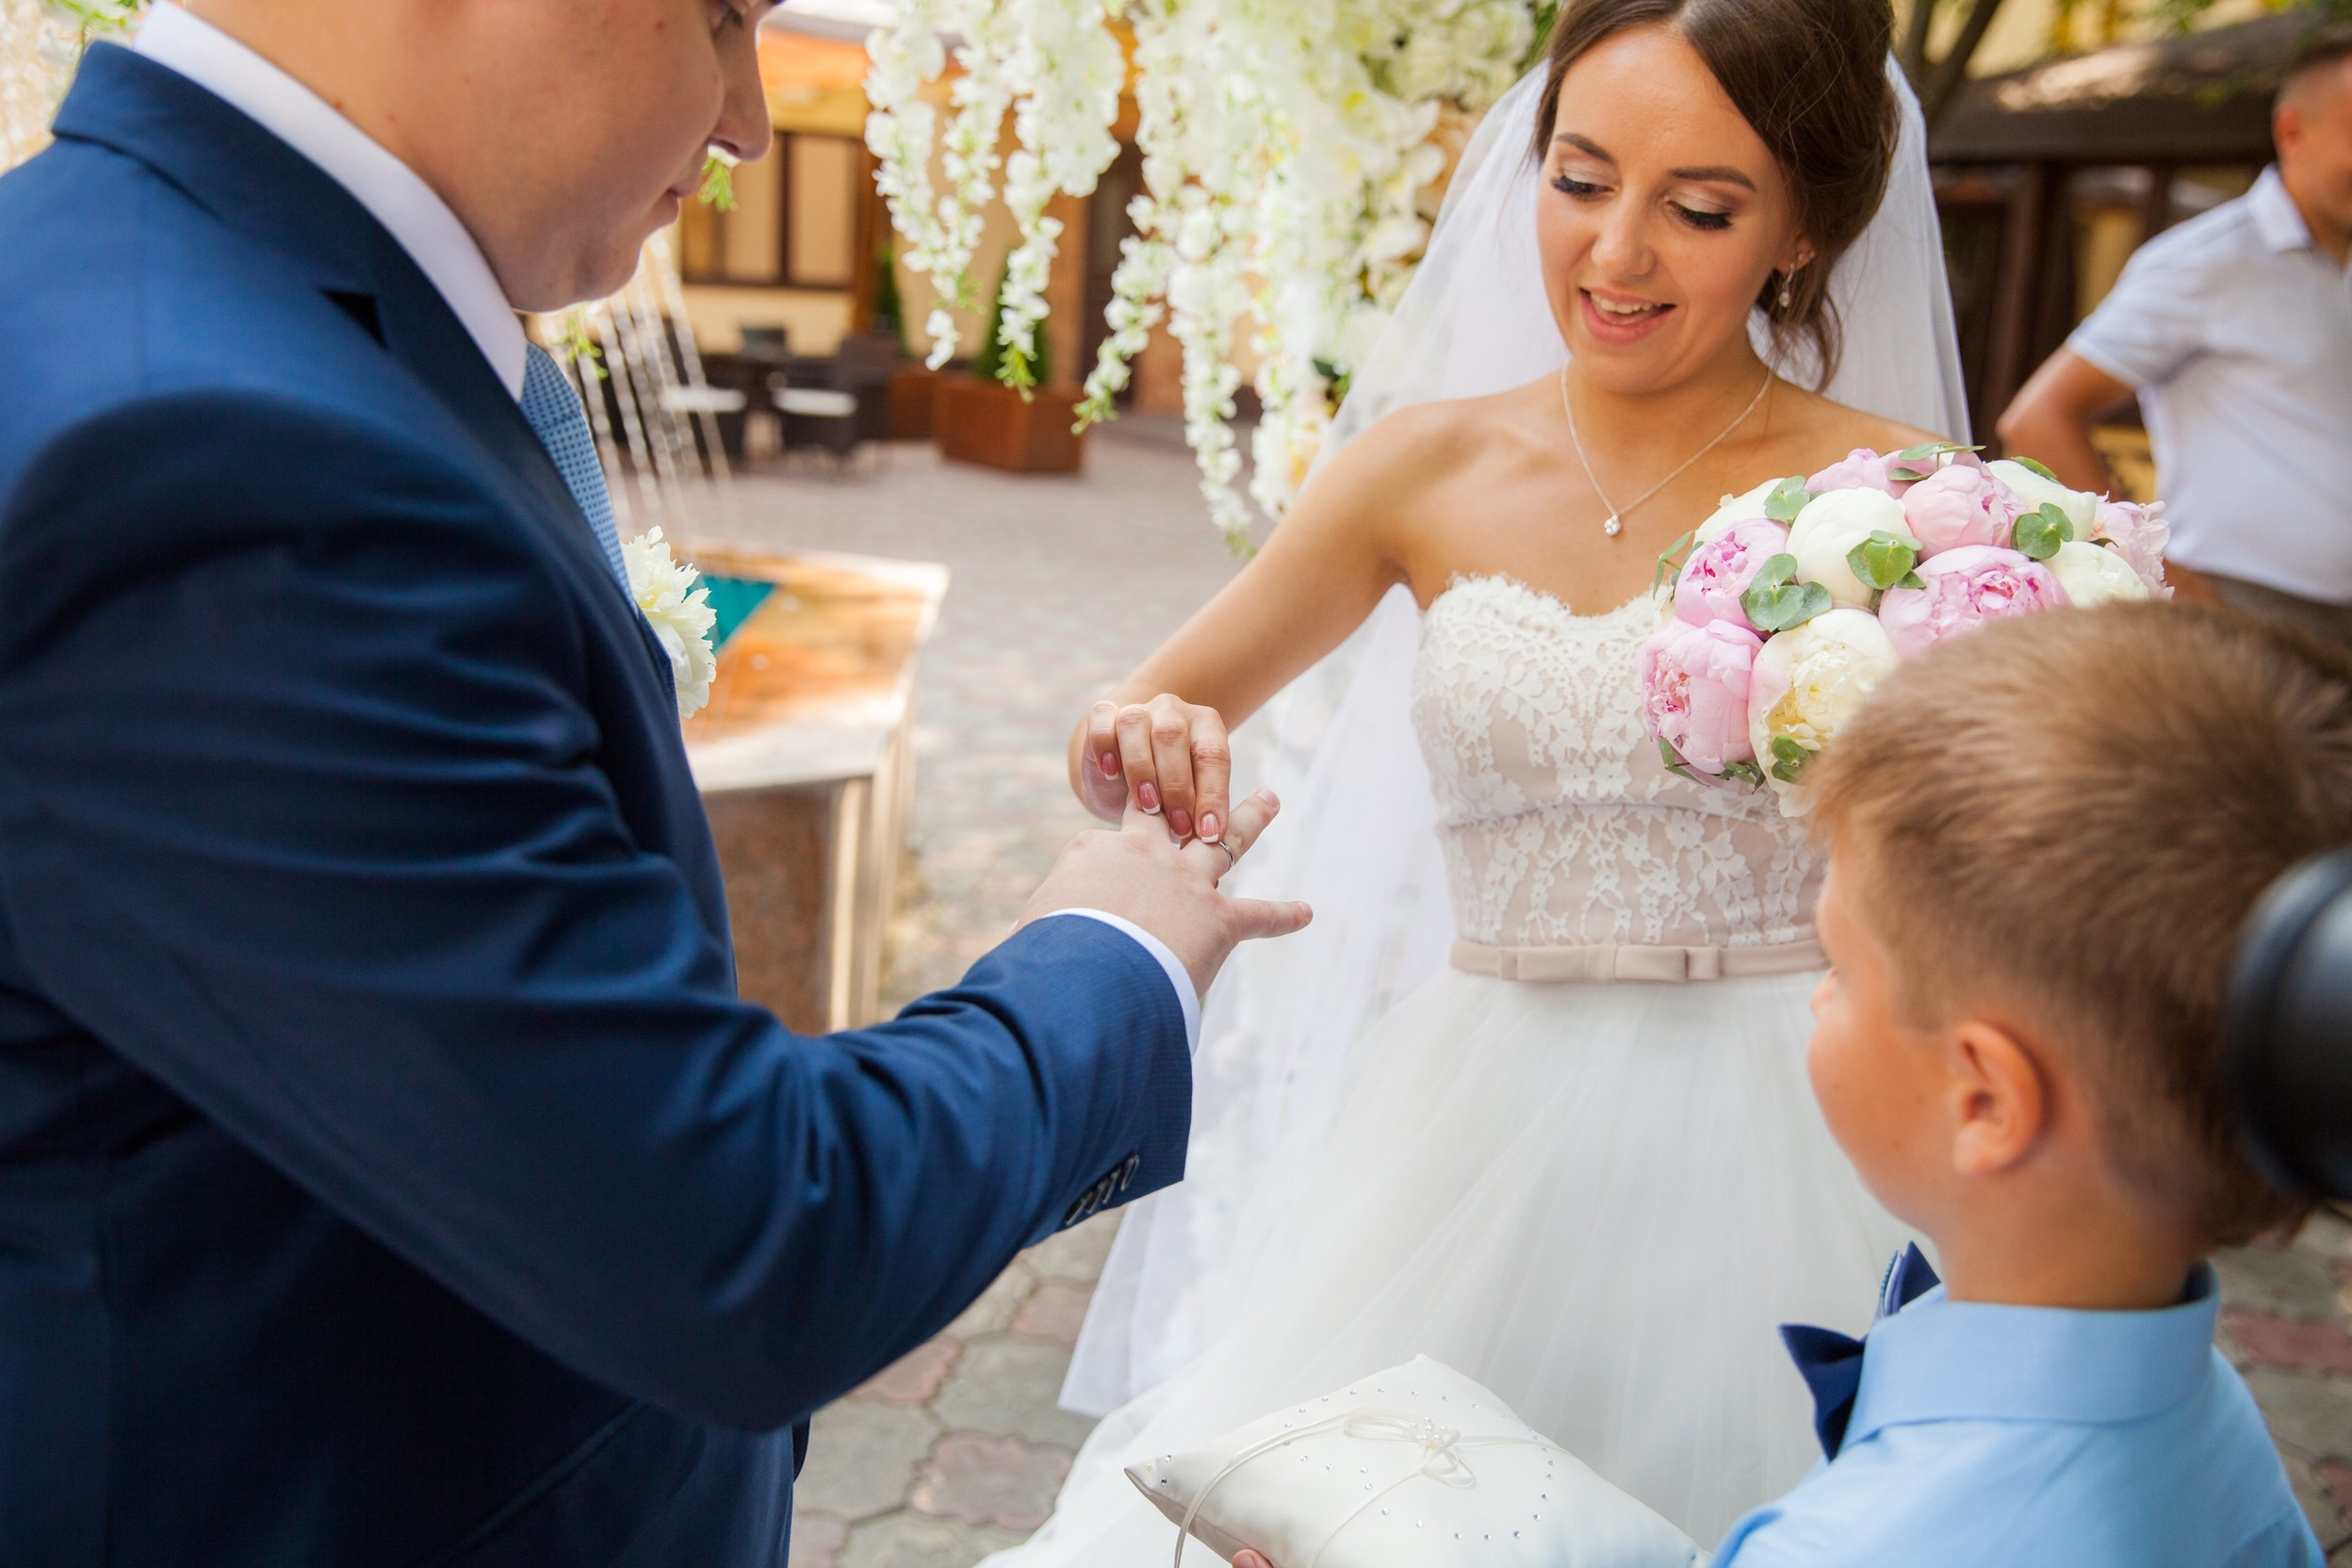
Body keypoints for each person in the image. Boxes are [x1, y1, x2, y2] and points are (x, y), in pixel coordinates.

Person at [0, 3, 1310, 1562]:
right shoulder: (216, 455)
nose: (747, 117)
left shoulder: (148, 292)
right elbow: (739, 1240)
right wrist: (1113, 944)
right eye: (722, 18)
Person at [1001, 0, 1972, 1553]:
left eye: (1699, 209)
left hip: (1788, 1132)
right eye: (1580, 181)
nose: (1615, 252)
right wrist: (1140, 741)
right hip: (1475, 1116)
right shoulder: (1423, 465)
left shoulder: (1904, 503)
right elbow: (1131, 714)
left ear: (1802, 230)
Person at [1229, 600, 2335, 1568]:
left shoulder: (1847, 1545)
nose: (1812, 1000)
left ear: (1985, 1099)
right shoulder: (2222, 1425)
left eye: (1837, 968)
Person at [1997, 24, 2352, 645]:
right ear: (2293, 132)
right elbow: (2037, 419)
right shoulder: (2208, 261)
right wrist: (2159, 577)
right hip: (2247, 617)